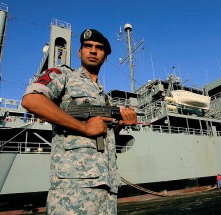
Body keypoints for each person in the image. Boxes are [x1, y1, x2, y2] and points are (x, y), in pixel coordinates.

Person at [21, 29, 137, 215]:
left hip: (106, 188)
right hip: (73, 189)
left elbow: (104, 139)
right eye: (88, 46)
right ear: (79, 52)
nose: (93, 50)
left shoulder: (105, 98)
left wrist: (120, 127)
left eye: (99, 48)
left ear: (105, 57)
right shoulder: (63, 75)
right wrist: (84, 127)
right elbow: (31, 100)